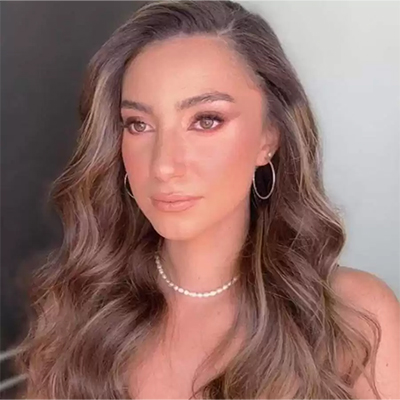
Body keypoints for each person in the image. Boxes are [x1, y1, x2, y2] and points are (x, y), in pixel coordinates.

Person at [14, 0, 399, 399]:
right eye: (139, 124)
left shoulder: (354, 318)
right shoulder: (74, 311)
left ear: (268, 137)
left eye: (206, 120)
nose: (164, 165)